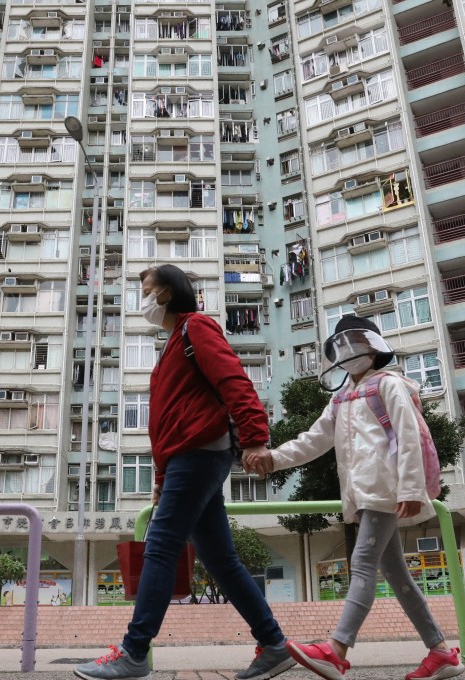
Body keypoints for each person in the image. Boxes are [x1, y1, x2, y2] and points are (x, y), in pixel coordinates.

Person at [75, 264, 294, 680]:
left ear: (167, 293)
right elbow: (167, 423)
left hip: (199, 453)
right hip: (186, 458)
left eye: (147, 290)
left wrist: (255, 437)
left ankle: (134, 652)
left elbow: (235, 382)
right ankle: (274, 644)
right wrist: (160, 482)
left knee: (160, 545)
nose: (142, 299)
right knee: (221, 560)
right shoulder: (172, 343)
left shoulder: (197, 328)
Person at [245, 316, 465, 680]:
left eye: (353, 345)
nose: (346, 353)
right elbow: (314, 439)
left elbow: (409, 435)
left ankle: (336, 650)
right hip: (364, 494)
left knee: (362, 562)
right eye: (341, 347)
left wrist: (410, 488)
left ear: (374, 348)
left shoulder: (390, 385)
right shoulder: (342, 397)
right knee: (397, 575)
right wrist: (274, 458)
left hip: (384, 490)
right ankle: (441, 652)